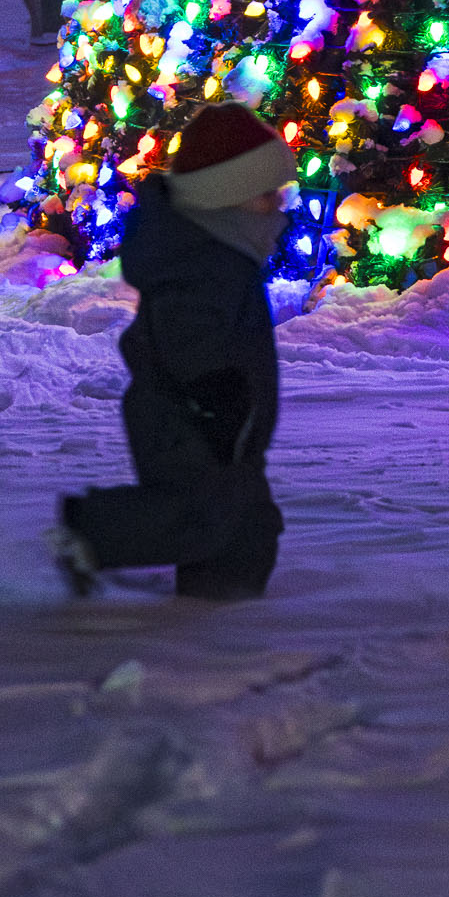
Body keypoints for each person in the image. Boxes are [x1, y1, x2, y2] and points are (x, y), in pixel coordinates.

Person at [54, 104, 295, 601]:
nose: (278, 204)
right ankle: (87, 535)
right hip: (183, 413)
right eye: (266, 193)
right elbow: (184, 329)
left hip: (224, 415)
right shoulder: (200, 257)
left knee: (247, 526)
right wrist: (213, 390)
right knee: (199, 517)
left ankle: (219, 614)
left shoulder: (227, 246)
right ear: (227, 195)